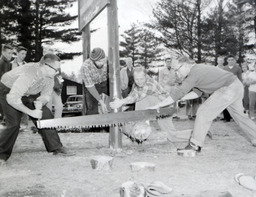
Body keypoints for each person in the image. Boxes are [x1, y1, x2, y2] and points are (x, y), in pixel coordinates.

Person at [150, 55, 256, 154]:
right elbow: (197, 93)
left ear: (186, 65)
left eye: (177, 69)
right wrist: (179, 99)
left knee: (203, 112)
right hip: (235, 85)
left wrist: (158, 105)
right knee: (240, 117)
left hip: (229, 88)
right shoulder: (197, 71)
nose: (177, 73)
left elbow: (178, 92)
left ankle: (195, 144)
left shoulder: (194, 72)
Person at [0, 53, 74, 165]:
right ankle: (1, 155)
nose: (57, 72)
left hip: (30, 92)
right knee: (14, 123)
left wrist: (40, 102)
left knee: (46, 115)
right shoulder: (29, 72)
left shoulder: (50, 77)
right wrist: (31, 112)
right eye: (56, 69)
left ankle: (56, 147)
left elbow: (46, 95)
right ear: (46, 66)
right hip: (9, 90)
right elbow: (12, 98)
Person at [110, 66, 191, 142]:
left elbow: (137, 96)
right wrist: (122, 107)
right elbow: (132, 95)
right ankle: (139, 128)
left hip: (165, 107)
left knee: (172, 136)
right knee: (170, 136)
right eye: (137, 79)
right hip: (157, 106)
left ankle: (192, 135)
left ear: (146, 76)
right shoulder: (136, 84)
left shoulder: (150, 85)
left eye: (141, 79)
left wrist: (121, 102)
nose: (139, 82)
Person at [80, 48, 109, 115]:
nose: (101, 63)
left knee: (117, 97)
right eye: (98, 61)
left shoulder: (109, 61)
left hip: (105, 83)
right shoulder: (85, 67)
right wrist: (101, 102)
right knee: (92, 108)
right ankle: (92, 123)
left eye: (102, 60)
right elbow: (91, 87)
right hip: (92, 85)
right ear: (93, 60)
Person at [11, 46, 29, 131]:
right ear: (17, 53)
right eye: (22, 53)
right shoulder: (11, 64)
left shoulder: (27, 65)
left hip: (24, 90)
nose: (24, 55)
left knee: (24, 106)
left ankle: (24, 125)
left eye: (25, 54)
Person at [43, 47, 63, 119]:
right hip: (46, 90)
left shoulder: (57, 65)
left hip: (56, 89)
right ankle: (49, 126)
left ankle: (57, 123)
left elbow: (60, 77)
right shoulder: (42, 65)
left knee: (59, 106)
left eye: (52, 55)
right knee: (48, 108)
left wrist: (60, 86)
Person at [221, 55, 242, 122]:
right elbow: (223, 78)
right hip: (227, 87)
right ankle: (226, 117)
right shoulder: (224, 68)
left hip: (235, 87)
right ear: (227, 61)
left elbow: (240, 78)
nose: (230, 61)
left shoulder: (238, 68)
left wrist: (239, 87)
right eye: (229, 60)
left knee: (234, 102)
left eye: (232, 60)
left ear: (234, 60)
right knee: (225, 102)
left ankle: (234, 117)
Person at [0, 44, 13, 122]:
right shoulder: (2, 62)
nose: (10, 55)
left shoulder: (7, 62)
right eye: (9, 53)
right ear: (3, 52)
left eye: (11, 53)